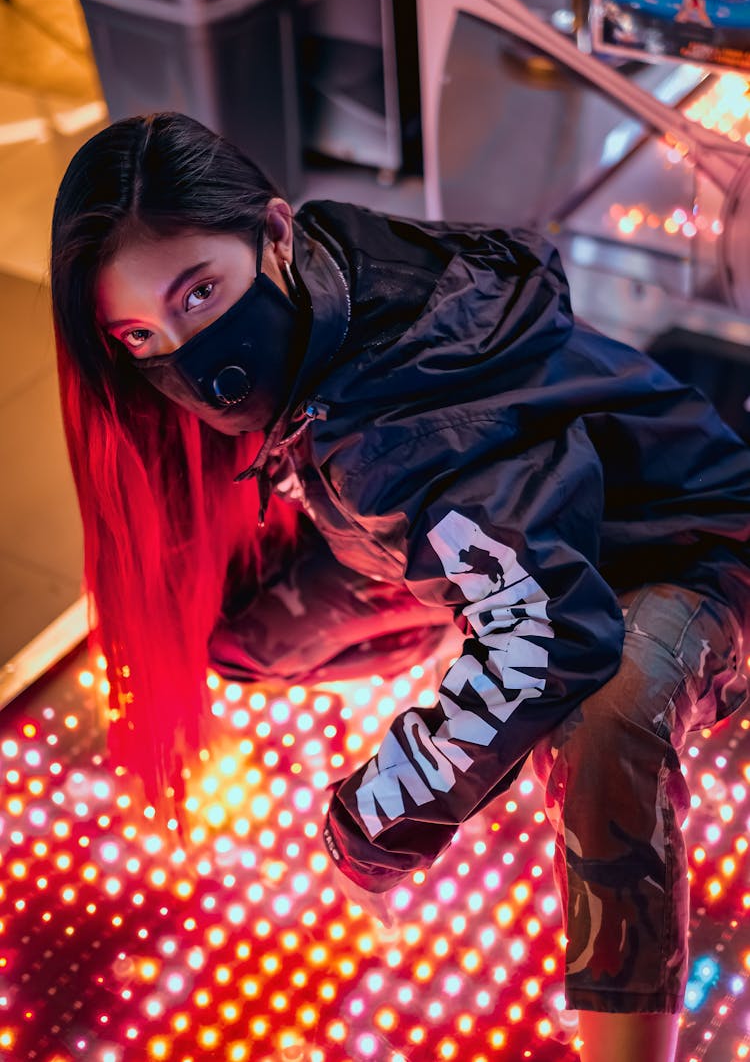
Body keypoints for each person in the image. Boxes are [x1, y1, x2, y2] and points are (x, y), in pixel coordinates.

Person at [50, 111, 750, 1062]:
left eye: (200, 292)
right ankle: (465, 605)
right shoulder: (336, 269)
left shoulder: (402, 438)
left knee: (603, 720)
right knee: (238, 639)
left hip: (687, 549)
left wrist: (369, 825)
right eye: (139, 332)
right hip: (479, 535)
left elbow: (554, 634)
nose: (188, 352)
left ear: (276, 232)